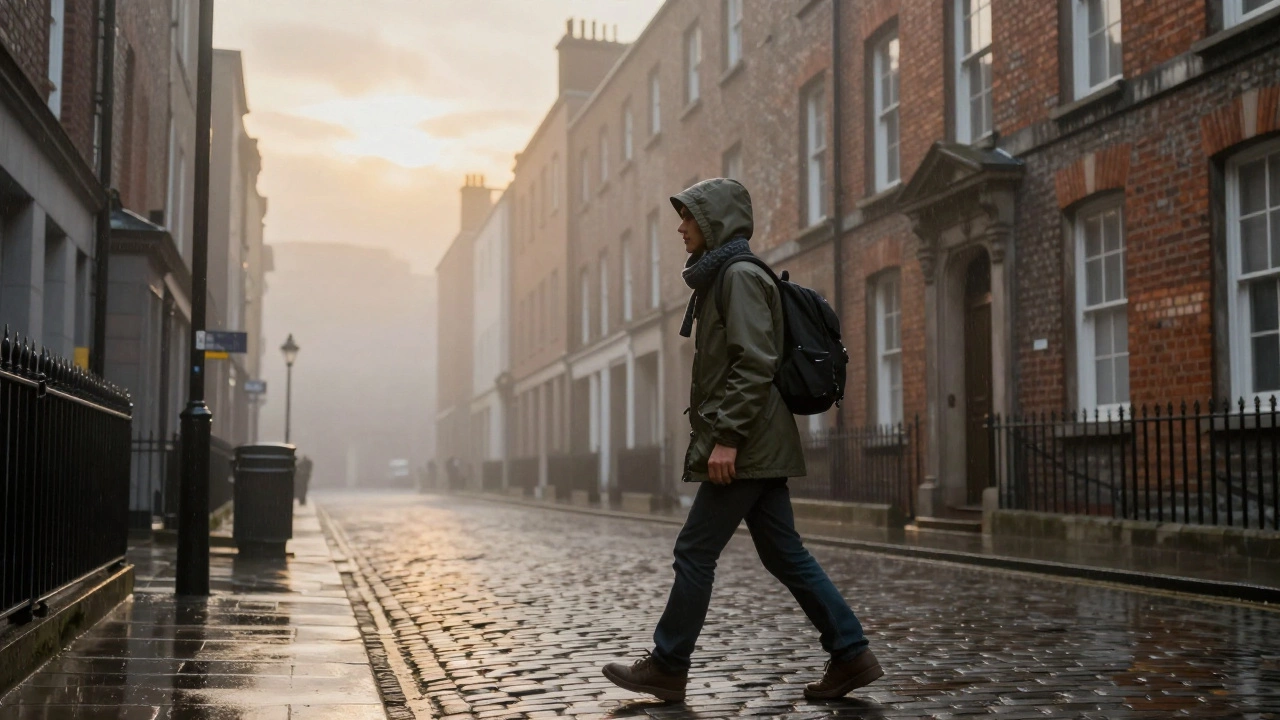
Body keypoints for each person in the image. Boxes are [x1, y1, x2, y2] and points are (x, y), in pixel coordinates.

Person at [602, 179, 881, 703]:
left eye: (689, 219)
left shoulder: (738, 277)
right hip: (760, 441)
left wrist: (726, 439)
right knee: (783, 553)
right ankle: (850, 652)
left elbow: (754, 363)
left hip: (749, 443)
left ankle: (668, 663)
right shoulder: (722, 278)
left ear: (714, 224)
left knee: (695, 549)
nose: (681, 228)